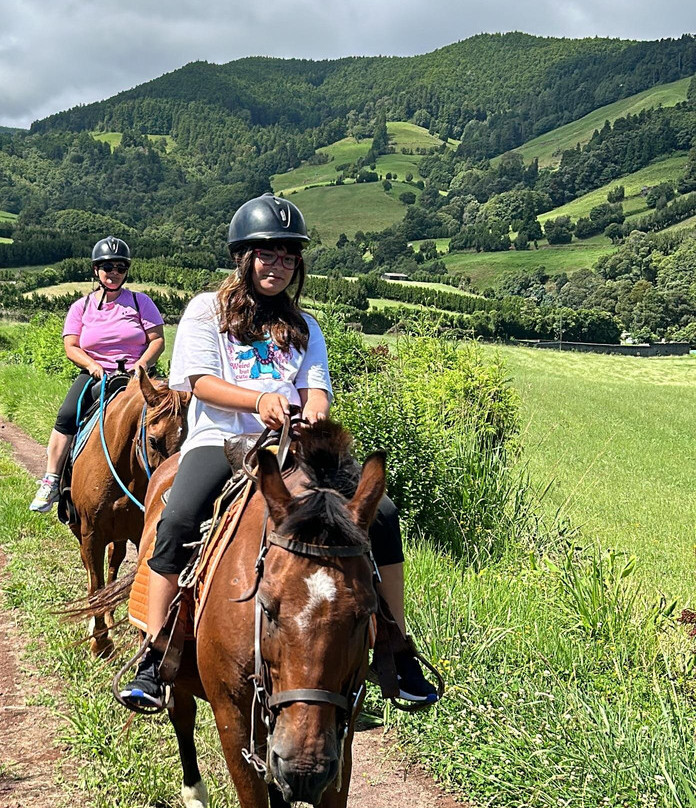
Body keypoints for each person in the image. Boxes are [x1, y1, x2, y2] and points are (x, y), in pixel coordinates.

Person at [119, 193, 438, 709]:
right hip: (221, 441)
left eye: (290, 257)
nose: (280, 266)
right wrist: (260, 399)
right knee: (178, 519)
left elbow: (317, 387)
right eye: (269, 254)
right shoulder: (207, 310)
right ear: (244, 257)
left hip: (294, 446)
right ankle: (158, 655)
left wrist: (313, 408)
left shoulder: (305, 326)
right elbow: (198, 382)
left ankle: (397, 648)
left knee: (380, 514)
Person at [29, 236, 166, 513]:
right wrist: (92, 366)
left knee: (170, 417)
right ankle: (52, 480)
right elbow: (71, 346)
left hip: (137, 374)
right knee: (67, 416)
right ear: (96, 270)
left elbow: (157, 340)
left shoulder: (141, 303)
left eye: (120, 267)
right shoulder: (81, 307)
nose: (113, 273)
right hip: (96, 375)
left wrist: (141, 365)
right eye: (107, 267)